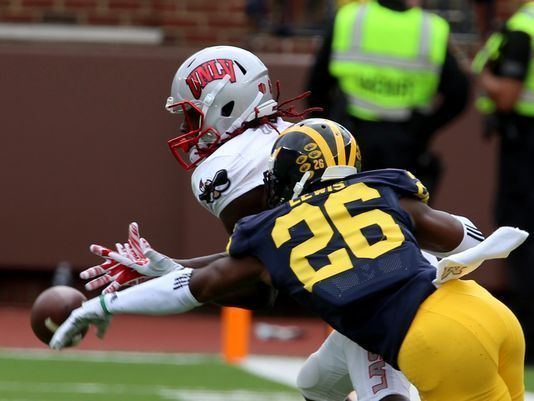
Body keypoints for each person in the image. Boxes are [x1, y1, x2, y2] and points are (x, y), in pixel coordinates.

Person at [51, 118, 527, 401]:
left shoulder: (273, 228)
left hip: (432, 340)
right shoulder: (383, 188)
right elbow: (463, 240)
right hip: (485, 311)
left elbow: (196, 289)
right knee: (316, 382)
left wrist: (104, 305)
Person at [79, 46, 414, 401]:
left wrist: (174, 279)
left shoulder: (228, 168)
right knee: (317, 386)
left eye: (192, 117)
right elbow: (264, 257)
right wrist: (175, 270)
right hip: (386, 268)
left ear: (224, 105)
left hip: (377, 292)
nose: (185, 128)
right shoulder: (295, 134)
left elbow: (258, 285)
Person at [306, 0, 470, 195]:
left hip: (350, 142)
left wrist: (334, 128)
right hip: (404, 145)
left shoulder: (350, 18)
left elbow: (316, 87)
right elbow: (459, 94)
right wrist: (424, 129)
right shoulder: (431, 28)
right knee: (398, 217)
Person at [472, 0, 534, 364]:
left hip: (524, 147)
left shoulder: (521, 32)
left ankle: (526, 339)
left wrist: (485, 79)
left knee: (520, 237)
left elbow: (508, 95)